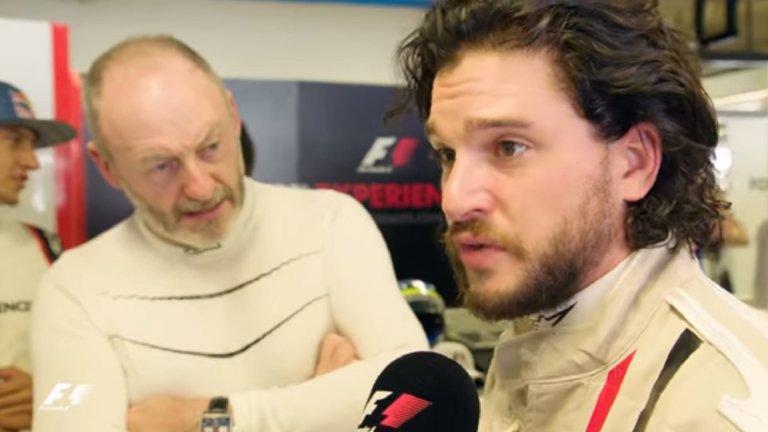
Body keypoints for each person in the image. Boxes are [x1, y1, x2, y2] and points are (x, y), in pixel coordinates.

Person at [394, 0, 768, 430]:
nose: (455, 199)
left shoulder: (724, 408)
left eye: (509, 147)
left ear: (634, 164)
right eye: (447, 154)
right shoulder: (534, 336)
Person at [31, 35, 428, 432]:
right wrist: (326, 408)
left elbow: (417, 398)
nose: (201, 187)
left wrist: (213, 419)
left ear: (233, 116)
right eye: (161, 165)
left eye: (211, 146)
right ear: (107, 166)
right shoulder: (73, 291)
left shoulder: (330, 222)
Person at [0, 80, 75, 432]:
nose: (31, 162)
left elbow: (97, 386)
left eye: (32, 145)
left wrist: (50, 400)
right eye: (15, 141)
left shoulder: (46, 248)